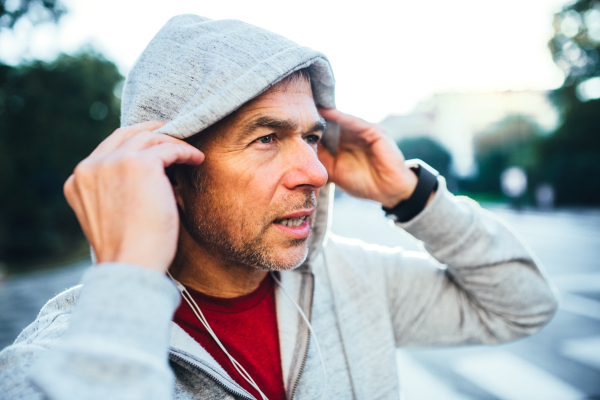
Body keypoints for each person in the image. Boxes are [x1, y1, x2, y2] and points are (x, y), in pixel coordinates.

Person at [0, 14, 558, 400]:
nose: (316, 172)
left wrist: (412, 195)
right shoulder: (61, 350)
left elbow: (523, 305)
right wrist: (127, 279)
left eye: (312, 138)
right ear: (169, 169)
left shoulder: (352, 278)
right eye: (267, 138)